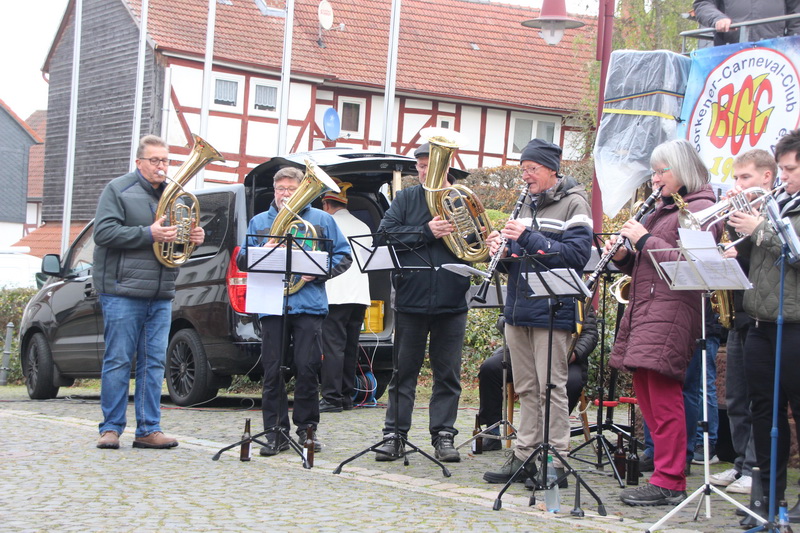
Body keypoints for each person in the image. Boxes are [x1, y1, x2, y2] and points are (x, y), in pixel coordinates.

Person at [608, 138, 718, 506]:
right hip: (647, 309)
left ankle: (670, 480)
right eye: (653, 172)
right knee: (647, 394)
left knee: (665, 397)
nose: (655, 179)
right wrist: (623, 256)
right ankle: (663, 472)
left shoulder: (701, 209)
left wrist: (645, 240)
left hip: (673, 312)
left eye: (661, 171)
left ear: (682, 169)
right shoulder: (662, 208)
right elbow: (648, 265)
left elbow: (691, 265)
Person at [482, 138, 593, 484]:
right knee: (527, 387)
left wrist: (527, 237)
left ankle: (556, 461)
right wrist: (502, 254)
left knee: (552, 387)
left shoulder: (575, 203)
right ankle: (524, 456)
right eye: (523, 169)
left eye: (532, 169)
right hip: (519, 309)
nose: (526, 176)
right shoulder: (525, 203)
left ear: (552, 170)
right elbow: (520, 261)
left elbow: (577, 256)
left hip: (552, 310)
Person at [94, 134, 205, 450]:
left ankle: (148, 429)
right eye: (155, 160)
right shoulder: (118, 189)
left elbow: (177, 246)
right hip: (122, 290)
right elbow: (103, 232)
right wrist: (148, 233)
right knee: (118, 360)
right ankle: (111, 428)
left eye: (165, 160)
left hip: (161, 291)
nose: (161, 166)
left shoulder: (176, 196)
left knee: (154, 362)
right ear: (139, 162)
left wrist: (193, 238)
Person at [237, 166, 352, 456]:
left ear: (301, 190)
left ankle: (307, 429)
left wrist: (321, 270)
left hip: (308, 304)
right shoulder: (260, 222)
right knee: (273, 370)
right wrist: (264, 249)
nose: (285, 194)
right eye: (281, 189)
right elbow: (242, 259)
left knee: (307, 367)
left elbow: (343, 255)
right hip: (271, 304)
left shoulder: (322, 220)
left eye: (291, 189)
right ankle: (275, 432)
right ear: (274, 191)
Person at [373, 142, 471, 463]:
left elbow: (478, 244)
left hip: (452, 300)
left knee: (448, 375)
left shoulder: (462, 199)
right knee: (403, 372)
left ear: (446, 165)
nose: (425, 171)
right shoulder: (406, 199)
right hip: (410, 299)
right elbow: (383, 237)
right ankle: (395, 435)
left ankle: (444, 435)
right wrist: (425, 231)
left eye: (431, 165)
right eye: (421, 166)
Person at [728, 130, 800, 510]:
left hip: (795, 323)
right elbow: (754, 256)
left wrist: (759, 228)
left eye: (789, 169)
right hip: (760, 321)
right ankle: (769, 497)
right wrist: (737, 225)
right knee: (763, 411)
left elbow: (796, 254)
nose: (782, 176)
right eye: (782, 169)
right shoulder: (777, 203)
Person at [708, 149, 777, 496]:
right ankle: (739, 463)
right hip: (738, 312)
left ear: (766, 177)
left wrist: (743, 252)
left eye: (745, 177)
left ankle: (754, 467)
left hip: (762, 317)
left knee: (756, 398)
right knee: (735, 397)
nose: (738, 184)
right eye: (736, 177)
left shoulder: (773, 213)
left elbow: (772, 266)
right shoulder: (739, 215)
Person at [477, 307, 599, 451]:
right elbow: (504, 321)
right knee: (490, 369)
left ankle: (551, 436)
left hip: (566, 355)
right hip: (525, 350)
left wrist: (574, 354)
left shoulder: (578, 299)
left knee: (571, 383)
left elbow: (590, 334)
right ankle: (492, 431)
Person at [319, 180, 372, 413]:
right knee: (351, 347)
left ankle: (331, 398)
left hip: (335, 293)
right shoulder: (363, 225)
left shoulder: (327, 223)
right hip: (359, 295)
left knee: (333, 348)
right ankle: (346, 396)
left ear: (326, 204)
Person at [693, 0, 800, 46]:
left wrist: (793, 46)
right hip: (730, 53)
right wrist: (717, 18)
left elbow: (796, 14)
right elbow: (703, 3)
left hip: (776, 51)